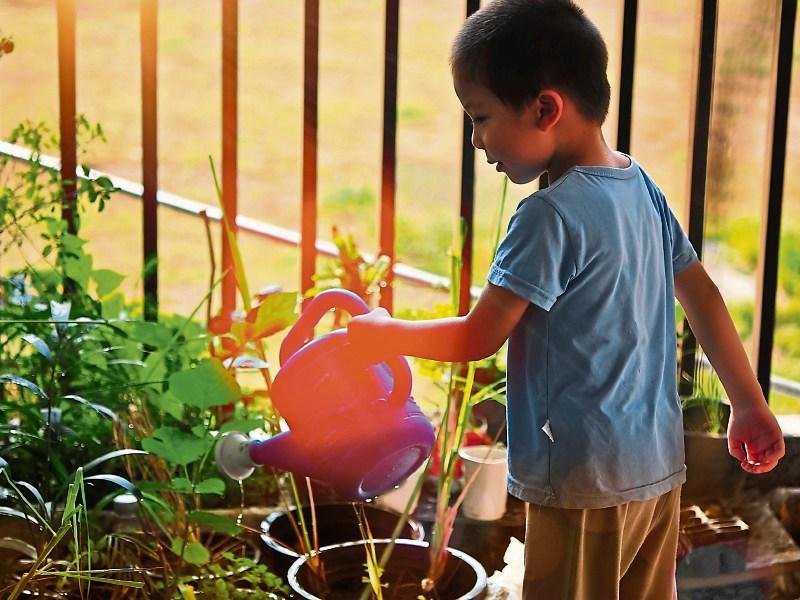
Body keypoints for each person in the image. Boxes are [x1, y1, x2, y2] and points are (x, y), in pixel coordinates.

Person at [347, 0, 785, 598]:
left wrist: (380, 331)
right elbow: (704, 298)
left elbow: (478, 337)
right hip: (657, 469)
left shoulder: (548, 217)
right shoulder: (640, 186)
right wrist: (749, 402)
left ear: (545, 107)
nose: (476, 140)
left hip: (583, 481)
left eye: (480, 116)